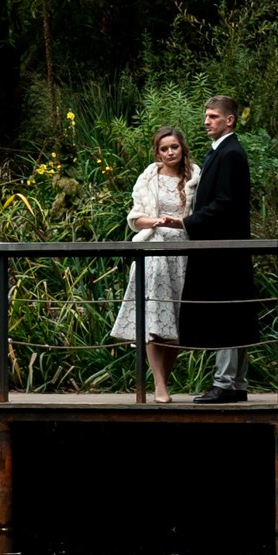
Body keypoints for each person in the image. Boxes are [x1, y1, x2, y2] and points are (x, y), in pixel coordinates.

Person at [179, 93, 259, 404]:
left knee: (228, 312)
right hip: (223, 246)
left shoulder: (231, 154)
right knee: (232, 311)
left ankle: (226, 383)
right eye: (206, 116)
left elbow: (226, 203)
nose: (206, 121)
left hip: (226, 247)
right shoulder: (221, 152)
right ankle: (235, 383)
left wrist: (187, 222)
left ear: (230, 120)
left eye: (213, 116)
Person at [108, 125, 196, 403]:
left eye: (174, 147)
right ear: (157, 152)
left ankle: (164, 381)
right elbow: (135, 217)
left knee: (177, 321)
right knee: (154, 317)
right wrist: (155, 221)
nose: (170, 152)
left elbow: (201, 214)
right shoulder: (149, 177)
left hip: (183, 251)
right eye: (164, 148)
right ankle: (159, 384)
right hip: (155, 249)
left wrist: (179, 222)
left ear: (182, 148)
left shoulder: (195, 175)